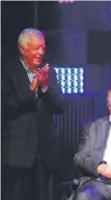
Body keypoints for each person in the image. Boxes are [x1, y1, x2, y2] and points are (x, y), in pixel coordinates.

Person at [1, 28, 64, 200]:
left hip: (45, 151)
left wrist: (44, 87)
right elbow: (5, 106)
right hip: (17, 152)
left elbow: (60, 106)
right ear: (23, 49)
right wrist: (32, 88)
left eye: (43, 48)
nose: (41, 52)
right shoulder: (6, 70)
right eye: (36, 48)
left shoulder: (48, 72)